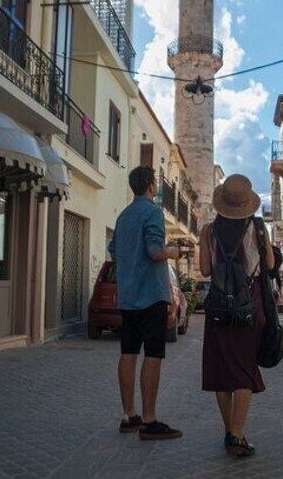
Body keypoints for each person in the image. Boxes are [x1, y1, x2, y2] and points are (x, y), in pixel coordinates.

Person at [199, 174, 275, 457]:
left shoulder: (208, 231)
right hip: (248, 302)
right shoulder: (257, 227)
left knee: (221, 370)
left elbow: (205, 270)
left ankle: (229, 430)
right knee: (244, 368)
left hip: (218, 304)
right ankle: (238, 435)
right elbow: (268, 264)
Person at [108, 166, 182, 440]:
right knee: (153, 355)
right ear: (151, 186)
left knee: (128, 353)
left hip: (128, 297)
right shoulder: (152, 212)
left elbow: (114, 251)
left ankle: (129, 416)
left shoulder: (123, 216)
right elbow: (154, 251)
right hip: (151, 296)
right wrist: (172, 251)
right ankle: (150, 421)